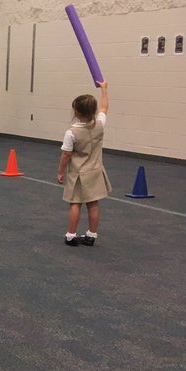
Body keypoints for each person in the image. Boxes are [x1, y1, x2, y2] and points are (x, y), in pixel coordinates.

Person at [57, 79, 111, 246]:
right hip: (95, 170)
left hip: (78, 173)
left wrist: (60, 171)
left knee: (75, 203)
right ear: (93, 111)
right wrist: (104, 89)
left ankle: (71, 235)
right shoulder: (100, 124)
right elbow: (105, 107)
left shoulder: (72, 132)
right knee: (93, 204)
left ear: (76, 112)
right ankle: (91, 234)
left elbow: (66, 154)